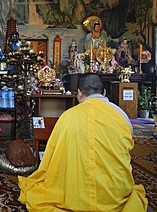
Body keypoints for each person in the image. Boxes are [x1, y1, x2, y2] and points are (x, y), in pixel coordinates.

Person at [18, 73, 148, 211]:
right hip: (113, 195)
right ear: (104, 93)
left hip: (74, 194)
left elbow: (53, 155)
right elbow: (126, 149)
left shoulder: (67, 116)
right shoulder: (121, 116)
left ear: (79, 94)